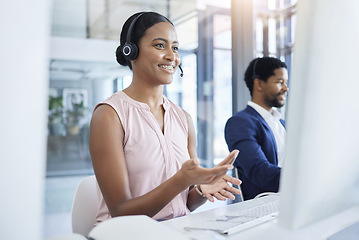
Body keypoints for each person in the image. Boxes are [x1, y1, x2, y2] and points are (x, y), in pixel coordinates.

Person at [89, 11, 241, 225]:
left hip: (176, 230)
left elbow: (183, 204)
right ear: (130, 50)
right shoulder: (109, 115)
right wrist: (181, 180)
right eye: (160, 45)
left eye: (175, 47)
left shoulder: (183, 118)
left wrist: (201, 188)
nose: (172, 56)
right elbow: (120, 212)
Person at [224, 57, 288, 200]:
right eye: (279, 82)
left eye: (286, 83)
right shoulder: (240, 123)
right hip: (266, 207)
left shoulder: (281, 123)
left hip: (293, 202)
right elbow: (259, 172)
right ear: (259, 84)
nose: (285, 88)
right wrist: (305, 179)